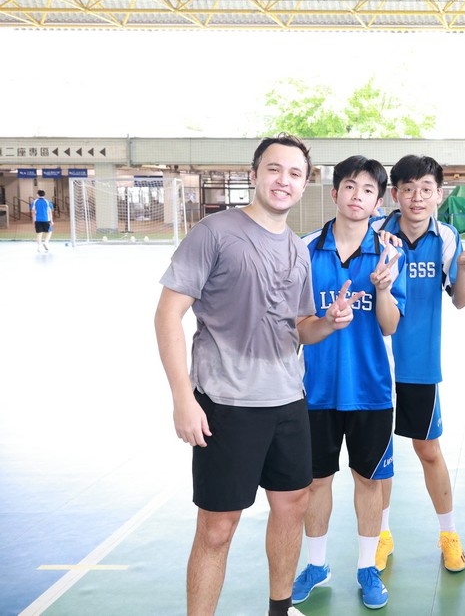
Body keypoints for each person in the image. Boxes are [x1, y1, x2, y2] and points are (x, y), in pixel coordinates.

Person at [154, 134, 324, 616]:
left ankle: (279, 609)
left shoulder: (298, 249)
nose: (283, 180)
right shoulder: (214, 232)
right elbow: (167, 315)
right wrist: (183, 398)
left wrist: (328, 323)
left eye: (294, 173)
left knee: (293, 505)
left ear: (304, 184)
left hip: (288, 400)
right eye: (274, 169)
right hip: (226, 404)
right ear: (254, 175)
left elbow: (299, 327)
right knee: (217, 527)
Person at [292, 155, 407, 611]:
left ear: (379, 202)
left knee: (368, 481)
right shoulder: (304, 250)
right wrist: (324, 320)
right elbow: (296, 326)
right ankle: (316, 564)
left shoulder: (389, 253)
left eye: (368, 190)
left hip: (371, 390)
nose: (357, 196)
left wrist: (382, 289)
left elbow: (390, 326)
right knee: (315, 482)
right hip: (315, 391)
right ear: (335, 192)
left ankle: (366, 567)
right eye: (350, 186)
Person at [369, 154, 465, 575]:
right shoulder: (376, 234)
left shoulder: (446, 237)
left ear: (439, 195)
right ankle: (381, 535)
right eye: (408, 189)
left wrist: (462, 269)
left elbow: (460, 301)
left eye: (426, 189)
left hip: (419, 360)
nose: (417, 198)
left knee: (428, 449)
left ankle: (449, 534)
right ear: (395, 194)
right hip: (374, 361)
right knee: (378, 454)